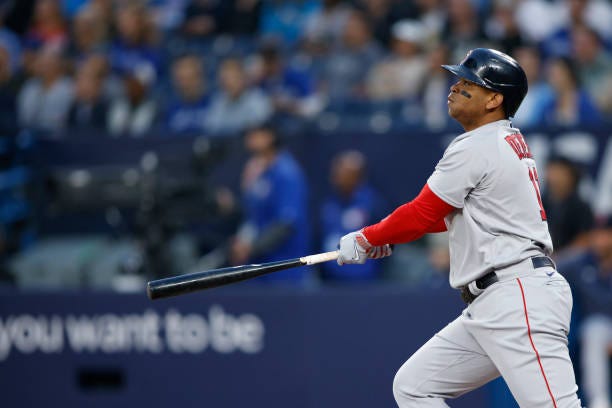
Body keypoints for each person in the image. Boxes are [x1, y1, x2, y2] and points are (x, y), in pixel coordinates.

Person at [336, 48, 583, 407]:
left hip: (517, 295)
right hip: (495, 300)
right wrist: (383, 238)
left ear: (494, 99)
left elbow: (422, 212)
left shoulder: (479, 144)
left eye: (469, 82)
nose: (454, 86)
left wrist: (365, 237)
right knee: (414, 387)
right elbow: (447, 216)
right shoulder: (499, 140)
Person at [229, 124, 310, 283]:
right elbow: (253, 217)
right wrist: (242, 240)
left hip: (285, 268)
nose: (249, 138)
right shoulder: (258, 172)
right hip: (261, 266)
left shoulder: (286, 172)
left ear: (269, 137)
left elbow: (287, 223)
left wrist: (251, 247)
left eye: (255, 133)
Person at [559, 215, 612, 408]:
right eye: (596, 234)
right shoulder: (581, 262)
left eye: (605, 234)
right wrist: (575, 246)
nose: (600, 240)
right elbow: (550, 267)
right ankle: (599, 402)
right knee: (594, 332)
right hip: (598, 328)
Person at [319, 150, 386, 281]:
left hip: (364, 281)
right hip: (330, 281)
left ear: (357, 176)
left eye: (343, 173)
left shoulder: (372, 204)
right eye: (336, 172)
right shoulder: (329, 204)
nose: (336, 176)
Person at [541, 155, 594, 255]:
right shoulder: (541, 203)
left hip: (566, 261)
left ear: (571, 177)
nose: (554, 178)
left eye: (559, 172)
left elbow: (583, 241)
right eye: (552, 171)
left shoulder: (581, 207)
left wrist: (558, 258)